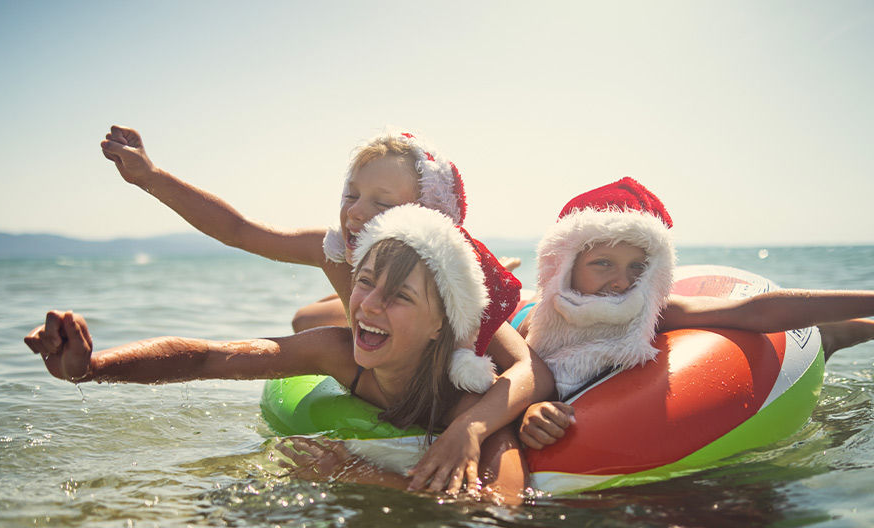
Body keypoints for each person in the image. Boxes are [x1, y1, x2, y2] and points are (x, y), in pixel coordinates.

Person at [100, 126, 554, 493]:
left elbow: (528, 368)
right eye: (351, 194)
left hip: (423, 348)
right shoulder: (335, 251)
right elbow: (239, 230)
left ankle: (498, 285)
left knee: (322, 321)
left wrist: (475, 426)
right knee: (308, 321)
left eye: (381, 202)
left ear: (426, 216)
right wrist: (150, 177)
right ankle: (343, 308)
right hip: (376, 338)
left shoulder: (454, 288)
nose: (356, 213)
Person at [25, 205, 528, 503]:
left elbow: (499, 505)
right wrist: (92, 369)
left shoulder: (467, 399)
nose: (368, 306)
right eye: (366, 283)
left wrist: (357, 474)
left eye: (398, 296)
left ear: (442, 322)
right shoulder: (338, 351)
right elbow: (206, 358)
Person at [515, 179, 874, 448]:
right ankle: (835, 334)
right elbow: (511, 386)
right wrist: (530, 412)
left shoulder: (654, 312)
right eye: (603, 264)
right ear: (565, 264)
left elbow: (752, 310)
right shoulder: (536, 324)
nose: (621, 281)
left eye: (636, 267)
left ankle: (833, 336)